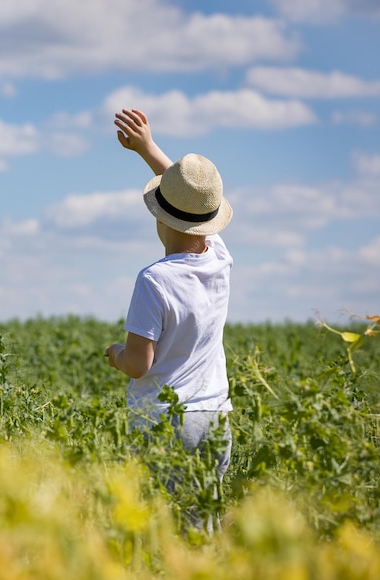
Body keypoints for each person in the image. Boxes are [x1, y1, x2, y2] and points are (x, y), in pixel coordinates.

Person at [105, 108, 233, 531]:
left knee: (163, 529)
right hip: (216, 417)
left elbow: (139, 363)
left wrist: (116, 354)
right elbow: (194, 203)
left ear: (159, 217)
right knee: (203, 525)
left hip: (165, 422)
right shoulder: (220, 259)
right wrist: (149, 149)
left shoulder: (154, 280)